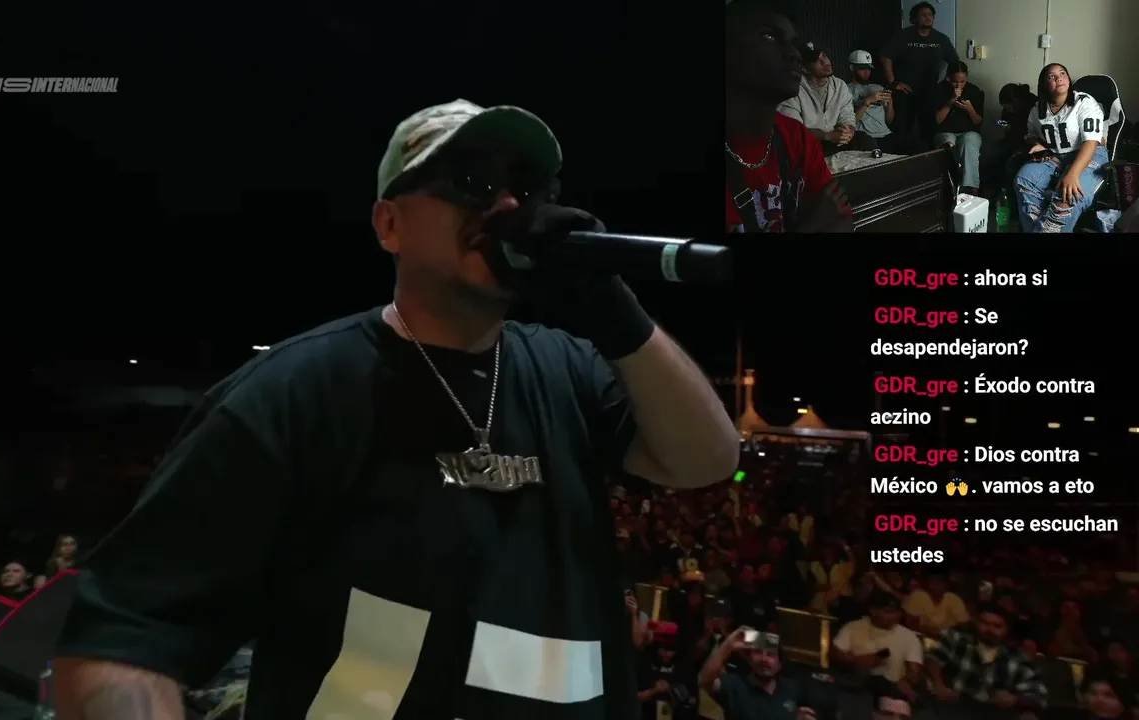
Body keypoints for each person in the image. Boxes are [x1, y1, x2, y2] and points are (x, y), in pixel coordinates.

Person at [53, 98, 740, 719]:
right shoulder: (291, 393)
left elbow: (708, 459)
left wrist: (616, 312)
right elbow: (123, 647)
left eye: (528, 188)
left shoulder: (569, 369)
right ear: (390, 224)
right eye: (469, 182)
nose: (507, 204)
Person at [724, 0, 854, 232]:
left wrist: (847, 129)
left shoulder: (794, 137)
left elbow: (841, 220)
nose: (794, 54)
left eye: (793, 44)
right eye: (769, 36)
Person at [1016, 62, 1110, 232]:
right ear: (1044, 84)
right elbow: (1031, 135)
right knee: (1024, 180)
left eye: (1062, 73)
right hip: (1056, 156)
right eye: (1051, 76)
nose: (1058, 78)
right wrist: (1037, 144)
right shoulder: (1038, 109)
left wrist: (1072, 174)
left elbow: (1091, 142)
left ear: (1068, 78)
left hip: (1090, 153)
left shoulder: (1084, 102)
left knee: (1068, 195)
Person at [924, 604, 1048, 714]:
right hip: (953, 707)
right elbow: (933, 658)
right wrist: (938, 683)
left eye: (997, 626)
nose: (990, 630)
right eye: (985, 623)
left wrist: (1015, 699)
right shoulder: (957, 639)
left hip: (994, 713)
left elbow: (1038, 694)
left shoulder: (1017, 657)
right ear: (977, 623)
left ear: (1006, 630)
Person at [880, 2, 960, 147]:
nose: (928, 17)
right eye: (923, 15)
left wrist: (948, 82)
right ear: (915, 18)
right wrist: (893, 82)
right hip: (905, 91)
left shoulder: (941, 39)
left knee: (928, 130)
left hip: (929, 91)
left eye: (930, 15)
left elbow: (955, 63)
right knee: (902, 130)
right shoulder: (903, 35)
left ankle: (927, 157)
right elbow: (886, 57)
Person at [778, 42, 871, 156]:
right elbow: (793, 131)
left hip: (834, 140)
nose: (825, 62)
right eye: (816, 60)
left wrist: (848, 130)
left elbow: (847, 116)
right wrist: (828, 136)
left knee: (865, 140)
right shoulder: (793, 88)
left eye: (824, 55)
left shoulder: (839, 85)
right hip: (810, 141)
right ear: (805, 68)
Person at [932, 60, 984, 193]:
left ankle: (970, 188)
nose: (959, 85)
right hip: (945, 131)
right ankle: (947, 188)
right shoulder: (939, 90)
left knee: (969, 141)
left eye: (962, 81)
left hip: (969, 132)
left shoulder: (973, 91)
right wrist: (950, 102)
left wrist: (970, 109)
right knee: (948, 143)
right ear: (948, 78)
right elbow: (937, 120)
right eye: (955, 81)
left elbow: (978, 121)